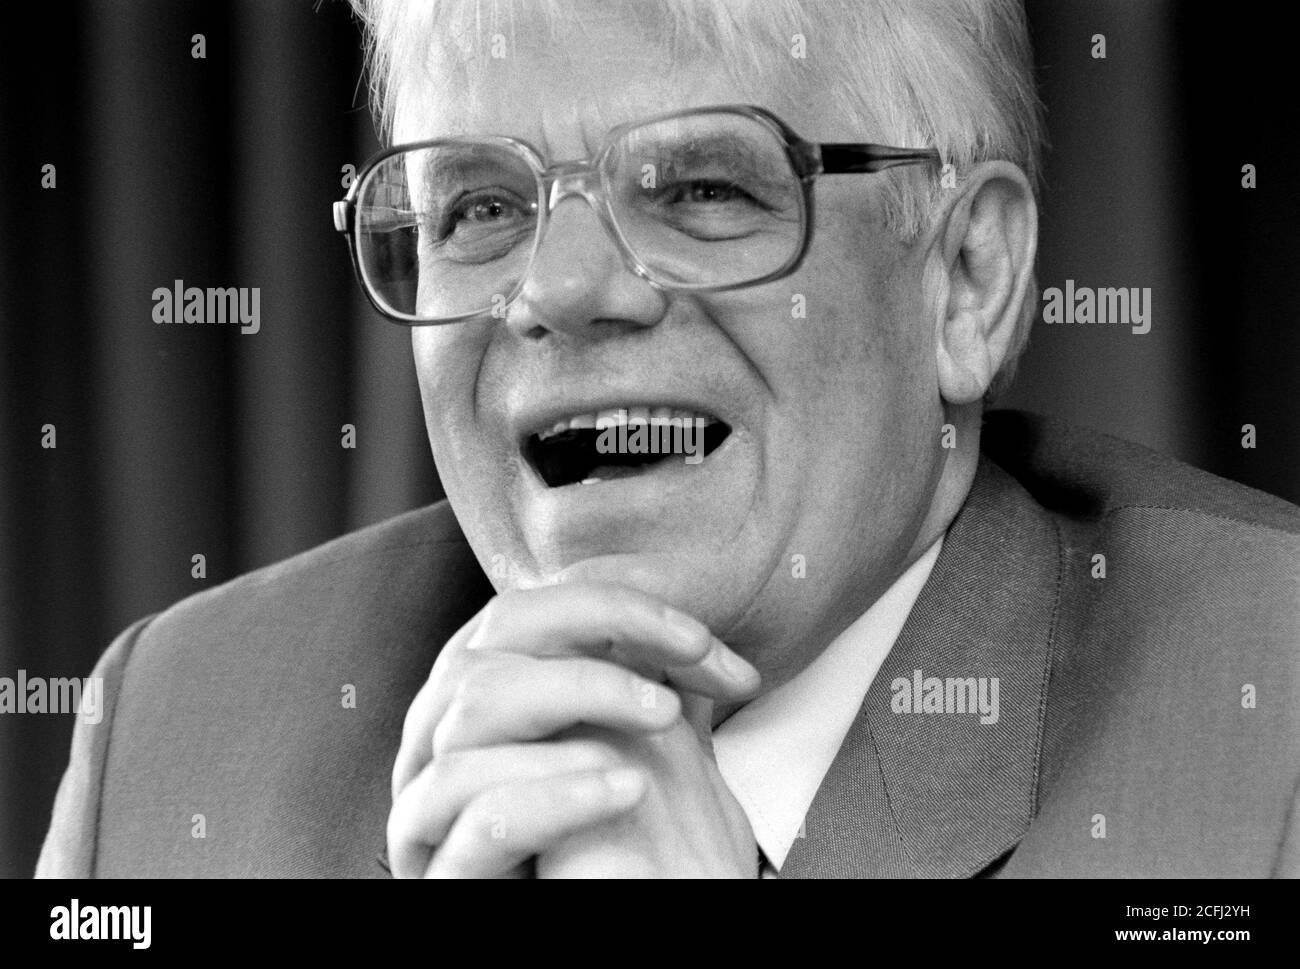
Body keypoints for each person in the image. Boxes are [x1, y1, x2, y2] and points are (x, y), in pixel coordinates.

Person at [38, 0, 1300, 878]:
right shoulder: (171, 733)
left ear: (964, 280)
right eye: (481, 205)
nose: (561, 290)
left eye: (703, 188)